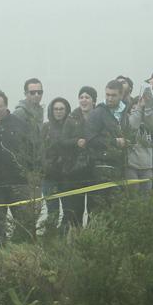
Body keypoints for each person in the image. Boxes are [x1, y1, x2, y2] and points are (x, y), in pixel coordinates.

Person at [0, 91, 34, 244]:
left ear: (6, 106)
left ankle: (26, 254)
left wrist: (31, 174)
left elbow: (30, 150)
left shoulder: (19, 124)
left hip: (18, 182)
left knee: (25, 222)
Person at [84, 80, 129, 213]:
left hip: (121, 165)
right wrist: (114, 142)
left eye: (113, 95)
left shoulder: (126, 112)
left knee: (118, 209)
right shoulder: (97, 113)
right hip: (100, 166)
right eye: (107, 94)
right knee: (99, 209)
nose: (109, 98)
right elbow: (90, 139)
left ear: (121, 95)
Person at [60, 86, 97, 227]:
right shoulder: (71, 118)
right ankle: (76, 241)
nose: (84, 100)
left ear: (93, 100)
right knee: (75, 210)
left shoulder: (99, 115)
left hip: (95, 169)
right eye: (81, 97)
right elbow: (62, 141)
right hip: (75, 170)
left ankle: (93, 239)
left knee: (94, 210)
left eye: (87, 97)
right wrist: (76, 142)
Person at [41, 97, 71, 225]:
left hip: (68, 175)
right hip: (49, 176)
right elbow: (39, 150)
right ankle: (51, 239)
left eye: (61, 109)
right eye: (56, 109)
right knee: (52, 212)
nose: (58, 112)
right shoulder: (46, 127)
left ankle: (64, 238)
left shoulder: (72, 126)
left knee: (68, 211)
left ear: (66, 110)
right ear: (51, 111)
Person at [124, 85, 153, 193]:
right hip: (131, 166)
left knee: (146, 197)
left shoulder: (148, 122)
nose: (137, 111)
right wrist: (138, 107)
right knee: (133, 194)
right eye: (133, 109)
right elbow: (132, 126)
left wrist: (147, 106)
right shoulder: (128, 121)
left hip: (147, 166)